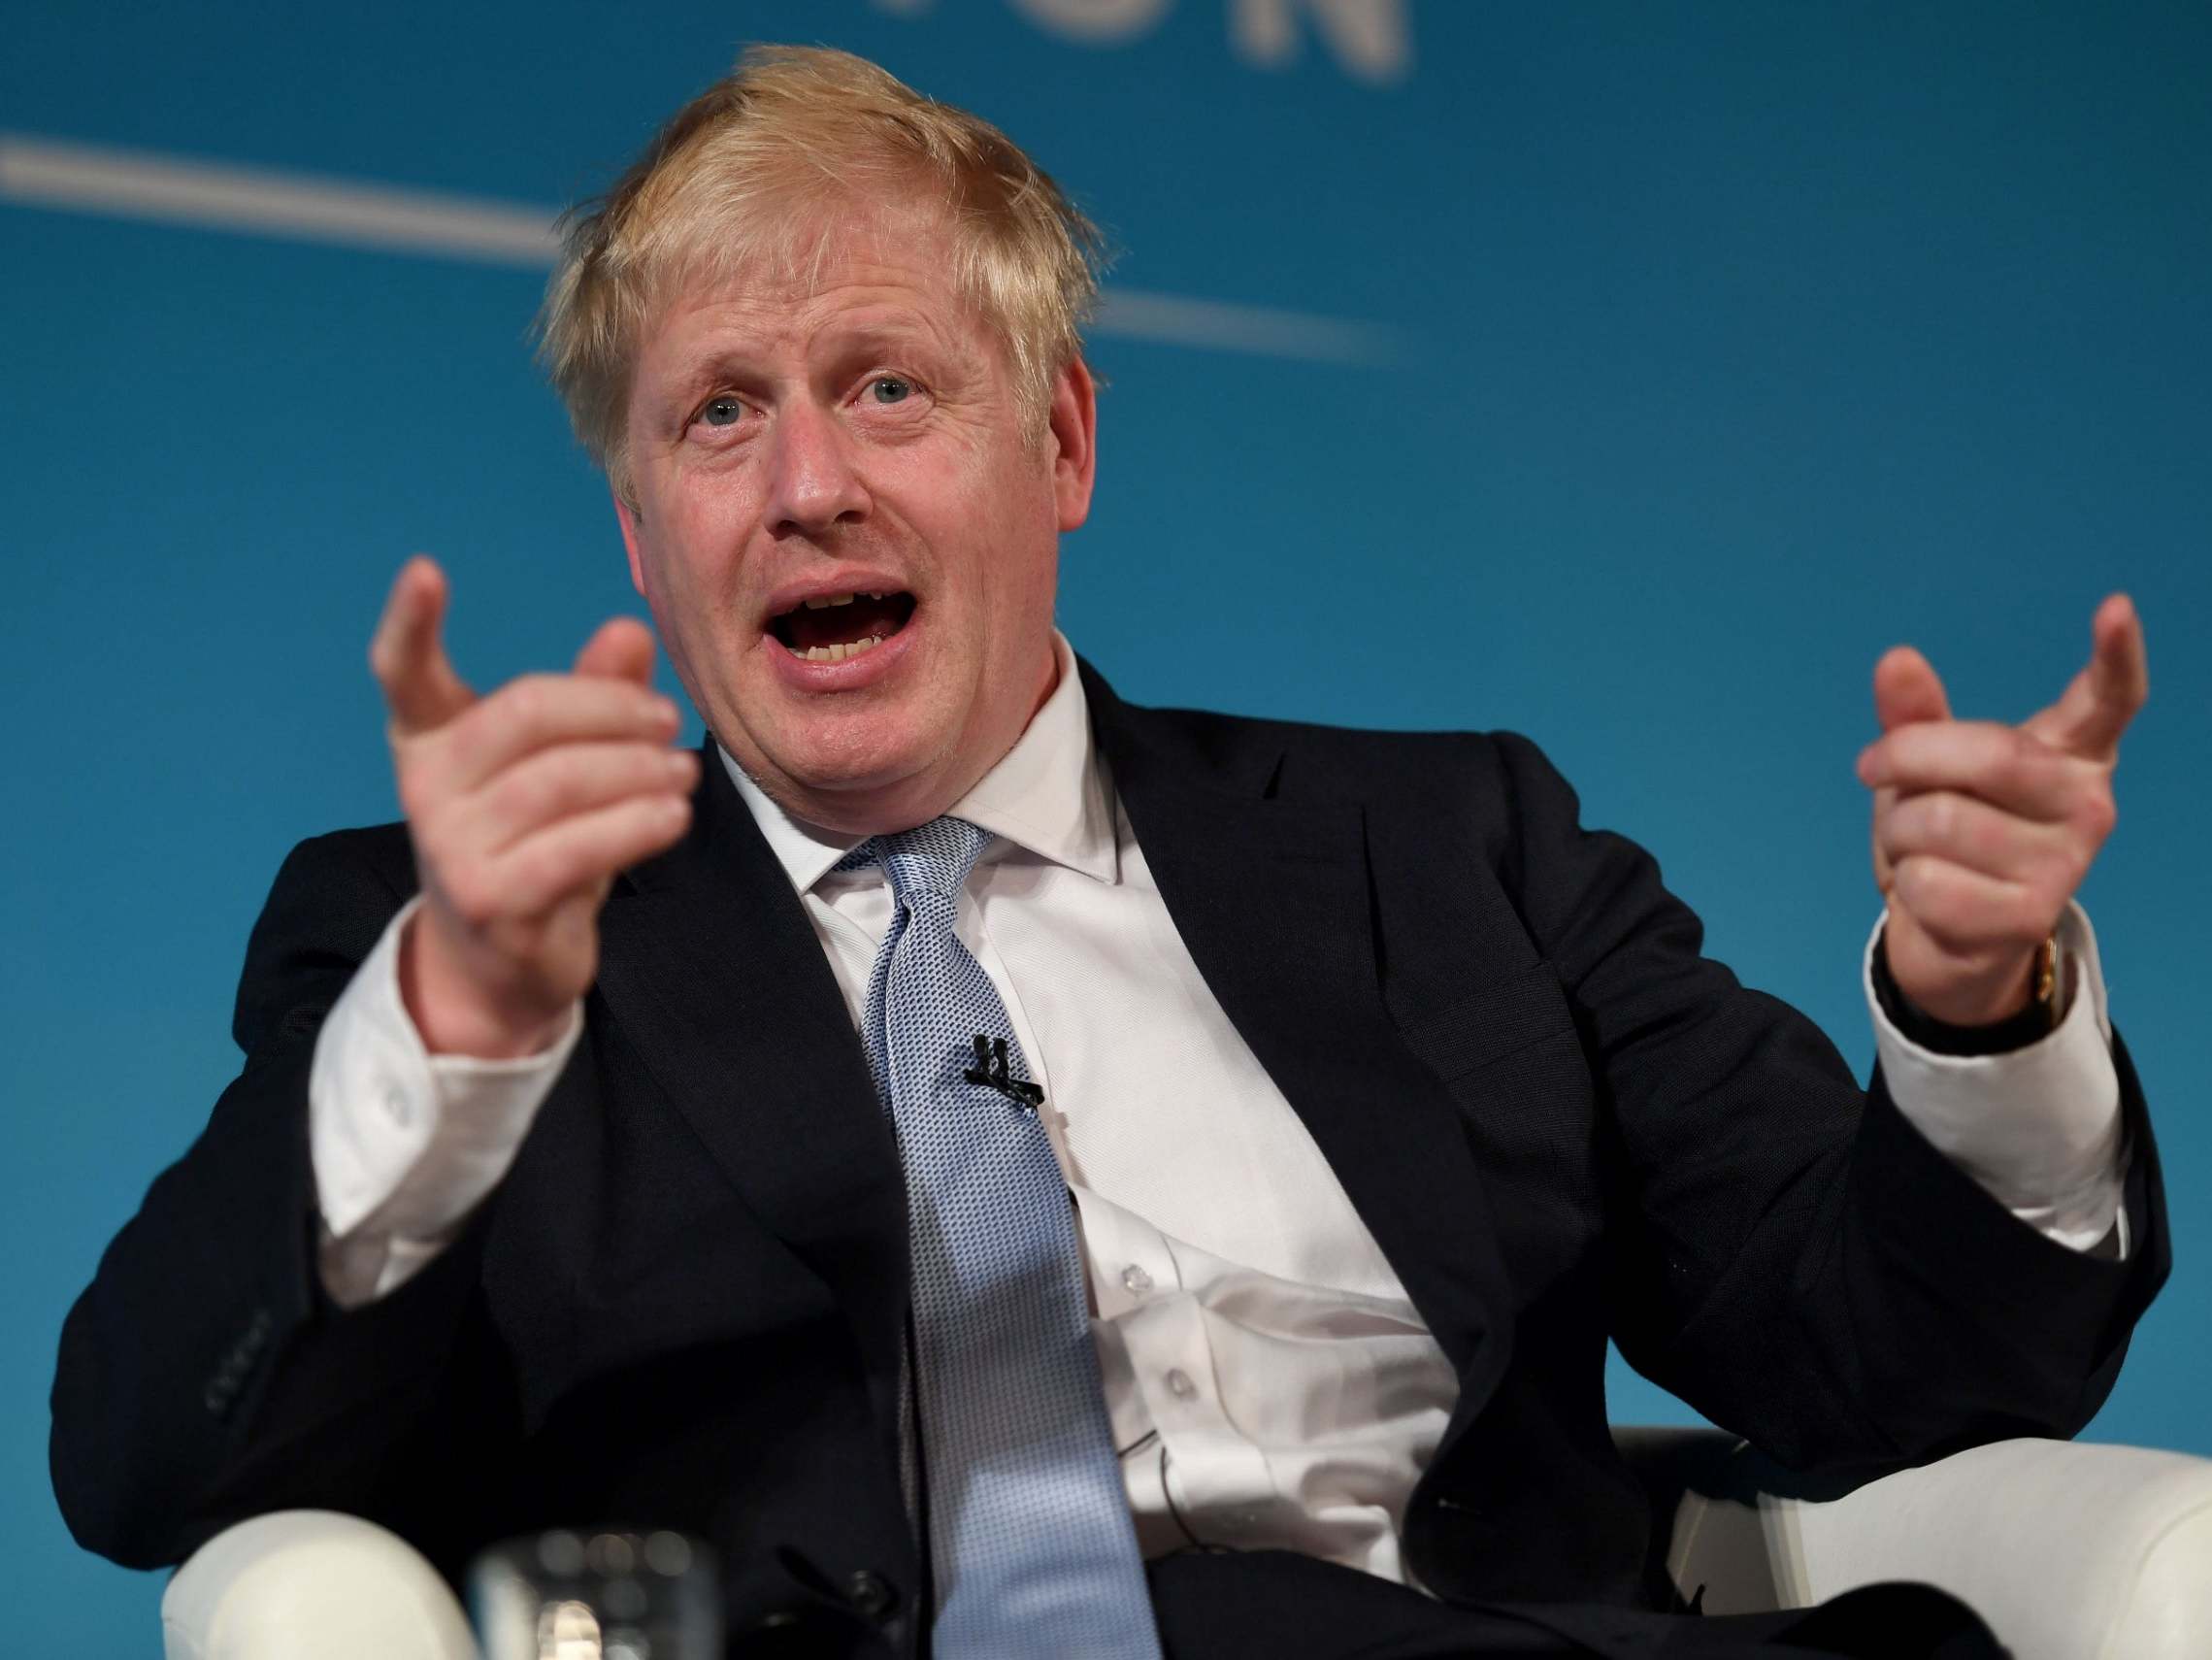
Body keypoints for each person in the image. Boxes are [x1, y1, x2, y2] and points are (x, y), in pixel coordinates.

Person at [52, 45, 2162, 1660]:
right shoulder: (459, 945)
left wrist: (1981, 1015)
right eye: (717, 416)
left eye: (888, 388)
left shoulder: (1450, 851)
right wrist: (454, 1030)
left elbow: (1903, 1366)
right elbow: (157, 1470)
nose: (805, 488)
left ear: (1059, 442)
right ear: (639, 534)